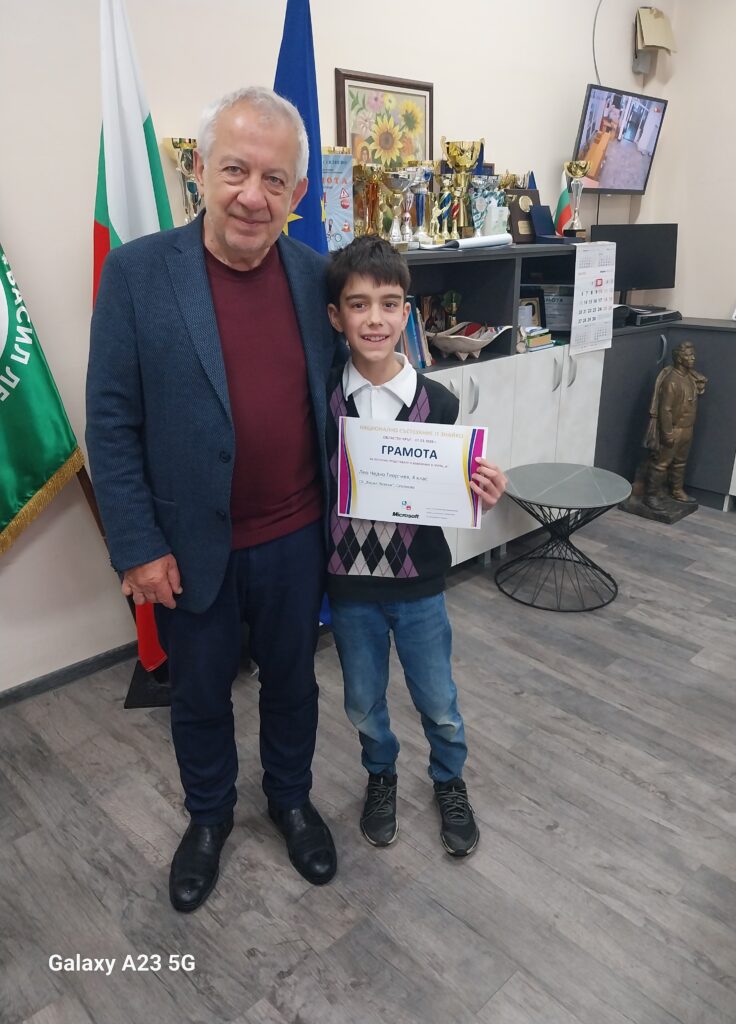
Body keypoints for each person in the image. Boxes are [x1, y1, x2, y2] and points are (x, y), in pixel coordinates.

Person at [86, 86, 345, 913]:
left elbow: (364, 389)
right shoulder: (136, 274)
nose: (252, 195)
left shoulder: (318, 278)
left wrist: (450, 458)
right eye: (235, 170)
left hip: (297, 536)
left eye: (275, 179)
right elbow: (111, 421)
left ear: (297, 193)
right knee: (198, 695)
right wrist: (135, 545)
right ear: (200, 170)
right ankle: (208, 817)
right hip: (187, 549)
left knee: (293, 685)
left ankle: (291, 799)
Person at [324, 236, 507, 857]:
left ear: (407, 313)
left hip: (420, 584)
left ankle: (449, 780)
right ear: (336, 316)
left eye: (389, 304)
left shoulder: (440, 403)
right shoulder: (323, 401)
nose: (374, 319)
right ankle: (381, 775)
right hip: (349, 585)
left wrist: (482, 490)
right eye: (359, 305)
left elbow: (451, 490)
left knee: (438, 699)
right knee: (361, 700)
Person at [643, 341, 707, 510]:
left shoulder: (690, 377)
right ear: (679, 358)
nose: (693, 358)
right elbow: (665, 409)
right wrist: (667, 433)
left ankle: (677, 491)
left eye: (693, 354)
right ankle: (651, 496)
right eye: (688, 355)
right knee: (661, 464)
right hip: (674, 429)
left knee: (680, 462)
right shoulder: (672, 381)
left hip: (687, 429)